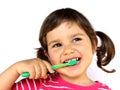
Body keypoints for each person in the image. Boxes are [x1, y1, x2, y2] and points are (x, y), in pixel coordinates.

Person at [0, 8, 116, 90]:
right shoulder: (37, 84)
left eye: (76, 39)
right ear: (48, 54)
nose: (68, 50)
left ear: (94, 44)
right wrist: (14, 69)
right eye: (57, 45)